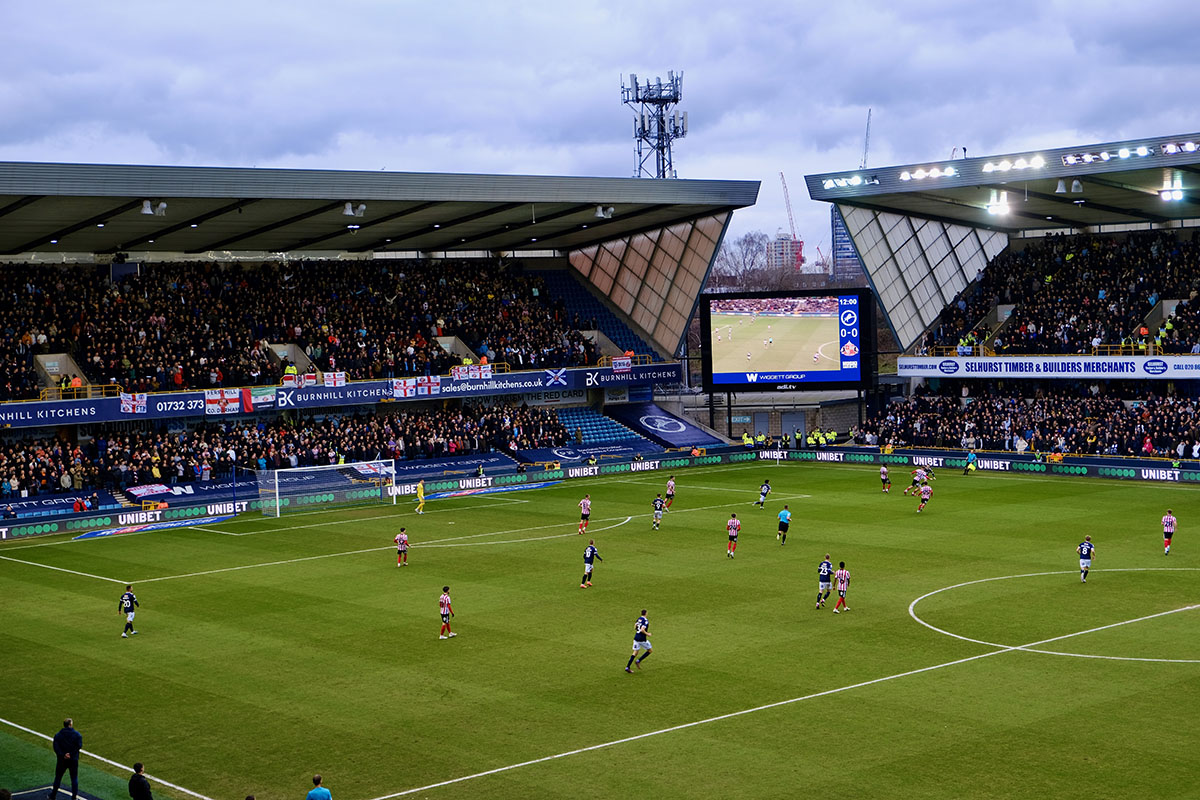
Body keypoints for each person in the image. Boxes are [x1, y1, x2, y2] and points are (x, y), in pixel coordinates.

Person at [50, 718, 83, 800]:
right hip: (73, 759)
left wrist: (63, 754)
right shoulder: (77, 735)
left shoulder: (58, 735)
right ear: (70, 725)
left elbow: (56, 747)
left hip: (62, 760)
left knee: (58, 777)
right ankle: (74, 797)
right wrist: (70, 754)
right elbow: (78, 746)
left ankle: (53, 795)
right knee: (74, 778)